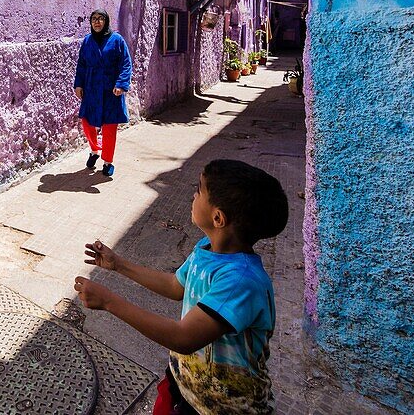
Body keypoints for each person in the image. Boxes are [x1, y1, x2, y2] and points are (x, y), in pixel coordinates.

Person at [73, 159, 289, 415]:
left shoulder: (241, 281)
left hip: (225, 407)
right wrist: (118, 264)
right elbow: (176, 286)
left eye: (199, 190)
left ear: (218, 217)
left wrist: (109, 301)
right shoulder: (205, 250)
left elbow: (183, 337)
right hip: (185, 384)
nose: (192, 195)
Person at [73, 8, 132, 177]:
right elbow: (82, 65)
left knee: (109, 128)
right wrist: (79, 85)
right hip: (91, 89)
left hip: (111, 91)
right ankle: (94, 149)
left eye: (100, 19)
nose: (97, 22)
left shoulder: (117, 40)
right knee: (87, 122)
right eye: (94, 19)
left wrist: (121, 84)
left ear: (106, 21)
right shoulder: (87, 41)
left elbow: (126, 64)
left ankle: (107, 161)